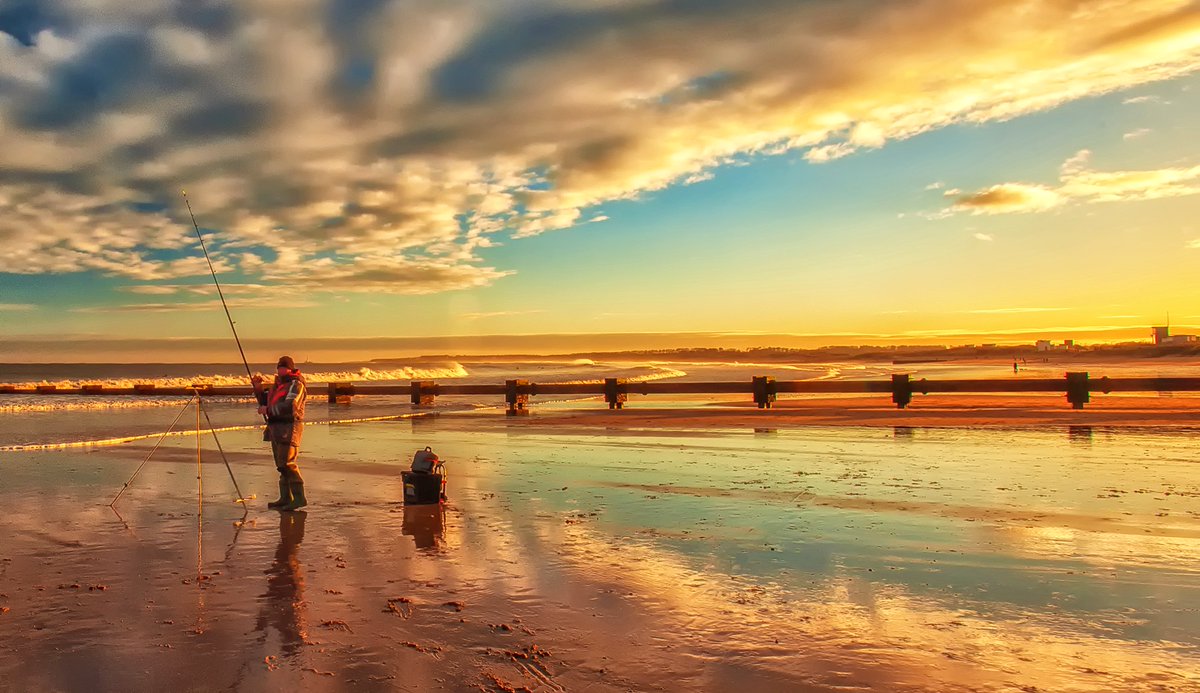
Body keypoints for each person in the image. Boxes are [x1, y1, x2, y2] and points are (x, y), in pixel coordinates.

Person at [253, 356, 307, 510]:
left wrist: (268, 410)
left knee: (287, 463)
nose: (281, 370)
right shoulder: (278, 385)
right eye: (279, 367)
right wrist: (258, 388)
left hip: (290, 428)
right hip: (276, 428)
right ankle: (285, 497)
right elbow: (265, 401)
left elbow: (290, 407)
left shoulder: (296, 385)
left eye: (284, 367)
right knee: (281, 465)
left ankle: (299, 498)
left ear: (291, 369)